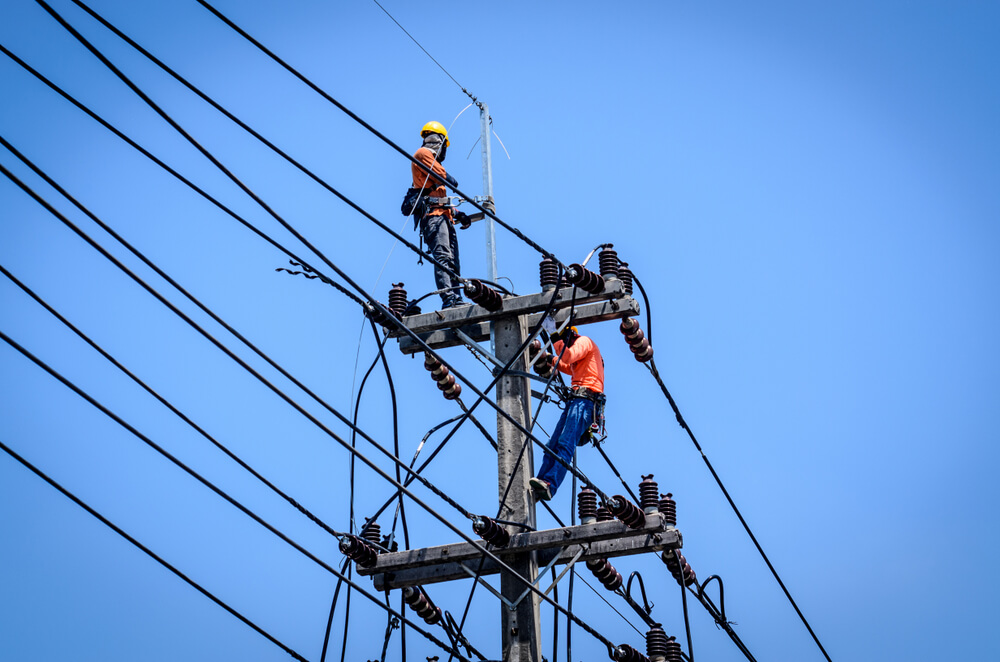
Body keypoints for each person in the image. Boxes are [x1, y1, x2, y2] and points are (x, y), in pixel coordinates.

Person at [529, 325, 605, 501]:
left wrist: (553, 335)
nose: (564, 344)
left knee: (565, 443)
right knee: (552, 444)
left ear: (571, 336)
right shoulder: (579, 358)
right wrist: (547, 357)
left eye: (564, 340)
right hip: (575, 401)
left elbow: (568, 356)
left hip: (585, 401)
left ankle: (550, 484)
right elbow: (565, 364)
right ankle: (541, 482)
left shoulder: (585, 342)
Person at [412, 121, 470, 309]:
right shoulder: (423, 155)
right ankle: (449, 299)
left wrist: (458, 214)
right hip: (433, 218)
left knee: (453, 262)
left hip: (444, 217)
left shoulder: (435, 164)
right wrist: (449, 179)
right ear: (439, 141)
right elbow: (442, 177)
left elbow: (441, 198)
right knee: (443, 258)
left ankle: (457, 297)